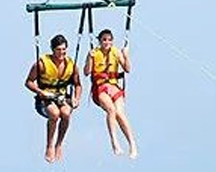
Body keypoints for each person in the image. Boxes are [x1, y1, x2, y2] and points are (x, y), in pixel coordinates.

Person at [25, 34, 82, 163]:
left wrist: (77, 99)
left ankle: (59, 144)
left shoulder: (71, 65)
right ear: (52, 49)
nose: (61, 52)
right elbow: (28, 82)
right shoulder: (41, 64)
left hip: (62, 98)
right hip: (45, 99)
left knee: (66, 113)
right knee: (55, 114)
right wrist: (40, 92)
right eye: (58, 50)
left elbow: (78, 85)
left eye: (64, 49)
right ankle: (49, 145)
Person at [85, 28, 139, 159]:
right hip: (100, 87)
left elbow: (127, 69)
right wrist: (89, 58)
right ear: (99, 41)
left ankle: (132, 144)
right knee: (111, 110)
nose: (107, 42)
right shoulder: (94, 53)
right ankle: (115, 142)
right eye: (104, 40)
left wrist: (126, 56)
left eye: (109, 40)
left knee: (120, 113)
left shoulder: (116, 52)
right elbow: (86, 72)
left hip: (114, 86)